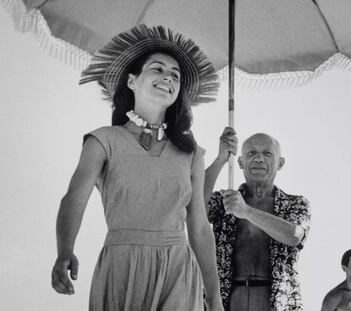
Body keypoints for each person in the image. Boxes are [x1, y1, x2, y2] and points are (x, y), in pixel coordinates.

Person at [51, 24, 224, 311]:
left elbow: (200, 228)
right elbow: (74, 198)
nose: (168, 77)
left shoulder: (190, 152)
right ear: (132, 81)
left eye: (175, 75)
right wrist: (65, 250)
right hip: (122, 266)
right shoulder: (103, 140)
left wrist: (214, 297)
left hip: (178, 270)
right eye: (157, 69)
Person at [204, 127, 311, 311]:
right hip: (227, 301)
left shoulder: (295, 204)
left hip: (279, 303)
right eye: (251, 153)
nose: (259, 158)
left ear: (280, 163)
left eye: (267, 153)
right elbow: (194, 205)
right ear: (240, 161)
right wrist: (221, 158)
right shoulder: (226, 201)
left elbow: (294, 235)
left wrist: (247, 212)